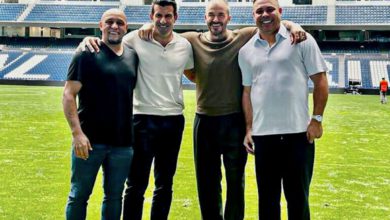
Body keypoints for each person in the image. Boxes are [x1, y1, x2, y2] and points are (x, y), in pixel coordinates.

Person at [138, 0, 306, 219]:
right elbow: (165, 31)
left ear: (229, 18)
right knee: (206, 181)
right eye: (211, 15)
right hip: (204, 120)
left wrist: (295, 26)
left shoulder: (243, 37)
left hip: (234, 121)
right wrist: (147, 26)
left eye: (220, 15)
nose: (215, 20)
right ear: (205, 18)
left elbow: (270, 22)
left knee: (235, 182)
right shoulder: (191, 40)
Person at [79, 1, 194, 219]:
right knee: (136, 183)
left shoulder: (184, 45)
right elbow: (108, 42)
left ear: (175, 18)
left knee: (165, 183)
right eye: (158, 15)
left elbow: (190, 71)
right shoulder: (135, 39)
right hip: (142, 119)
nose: (163, 20)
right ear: (152, 15)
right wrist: (88, 38)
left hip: (173, 120)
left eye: (168, 16)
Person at [238, 0, 328, 219]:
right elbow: (247, 92)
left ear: (280, 12)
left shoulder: (301, 40)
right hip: (263, 137)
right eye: (259, 11)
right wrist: (249, 128)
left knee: (298, 200)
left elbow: (320, 80)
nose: (265, 14)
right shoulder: (246, 51)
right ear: (253, 16)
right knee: (267, 203)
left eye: (270, 9)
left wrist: (316, 119)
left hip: (298, 135)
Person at [63, 9, 138, 220]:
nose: (115, 26)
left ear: (126, 27)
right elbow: (69, 95)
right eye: (110, 22)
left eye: (120, 23)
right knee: (79, 195)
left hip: (123, 142)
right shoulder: (86, 53)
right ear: (101, 25)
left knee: (114, 197)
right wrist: (77, 134)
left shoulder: (133, 55)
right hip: (90, 141)